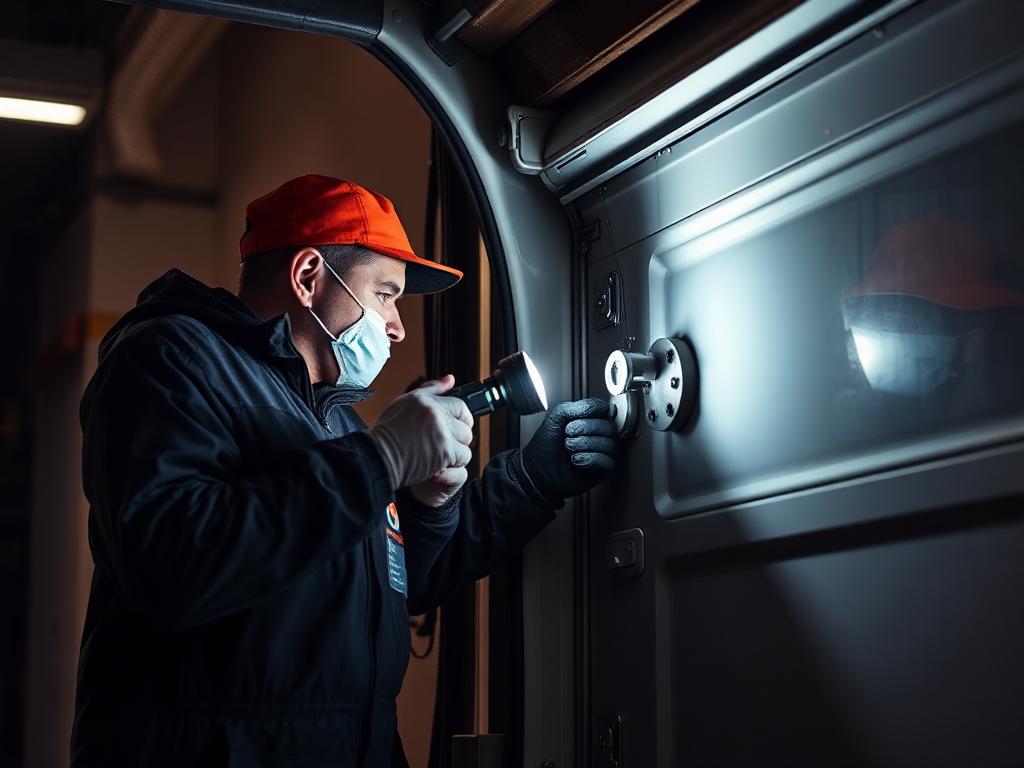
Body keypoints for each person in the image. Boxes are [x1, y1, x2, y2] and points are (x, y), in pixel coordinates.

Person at [70, 174, 619, 767]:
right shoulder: (169, 360)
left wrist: (511, 485)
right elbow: (171, 562)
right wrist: (383, 460)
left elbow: (397, 584)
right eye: (385, 294)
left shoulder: (337, 422)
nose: (397, 325)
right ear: (309, 278)